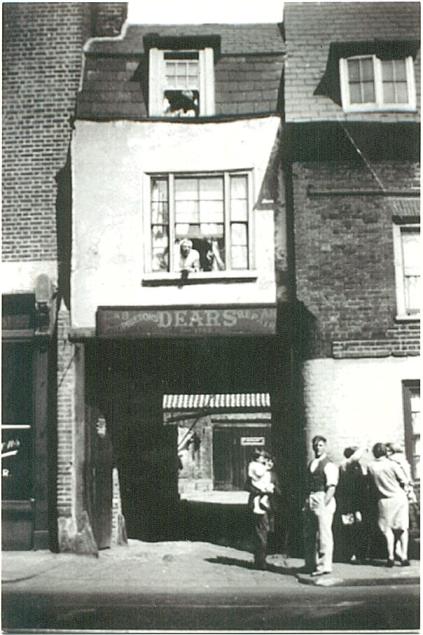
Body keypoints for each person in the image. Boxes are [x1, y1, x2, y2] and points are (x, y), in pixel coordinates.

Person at [367, 442, 411, 567]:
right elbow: (404, 480)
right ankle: (404, 556)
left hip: (383, 500)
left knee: (387, 530)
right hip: (398, 498)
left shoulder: (371, 467)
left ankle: (390, 556)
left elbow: (369, 483)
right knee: (402, 528)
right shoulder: (392, 465)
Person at [303, 435, 339, 576]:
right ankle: (310, 563)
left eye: (320, 445)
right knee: (309, 533)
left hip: (323, 497)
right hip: (311, 498)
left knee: (324, 535)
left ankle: (324, 565)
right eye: (315, 445)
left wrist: (325, 503)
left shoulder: (329, 465)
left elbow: (331, 486)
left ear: (325, 446)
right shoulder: (312, 463)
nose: (317, 448)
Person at [246, 449, 280, 570]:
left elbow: (279, 490)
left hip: (270, 506)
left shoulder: (273, 475)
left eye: (269, 460)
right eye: (265, 460)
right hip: (258, 506)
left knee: (267, 532)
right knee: (260, 533)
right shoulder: (257, 469)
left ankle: (262, 558)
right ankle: (260, 560)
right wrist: (261, 492)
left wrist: (272, 491)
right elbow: (248, 485)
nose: (267, 463)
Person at [337, 446, 368, 564]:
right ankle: (352, 554)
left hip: (357, 503)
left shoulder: (357, 466)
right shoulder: (345, 465)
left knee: (357, 528)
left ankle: (358, 554)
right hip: (348, 503)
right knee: (350, 529)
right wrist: (364, 446)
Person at [248, 449, 274, 514]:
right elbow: (260, 473)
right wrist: (265, 467)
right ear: (257, 458)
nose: (264, 459)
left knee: (269, 488)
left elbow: (250, 474)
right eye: (262, 457)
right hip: (258, 482)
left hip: (258, 482)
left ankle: (263, 500)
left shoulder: (253, 464)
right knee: (259, 493)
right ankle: (257, 507)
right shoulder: (256, 465)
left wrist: (267, 466)